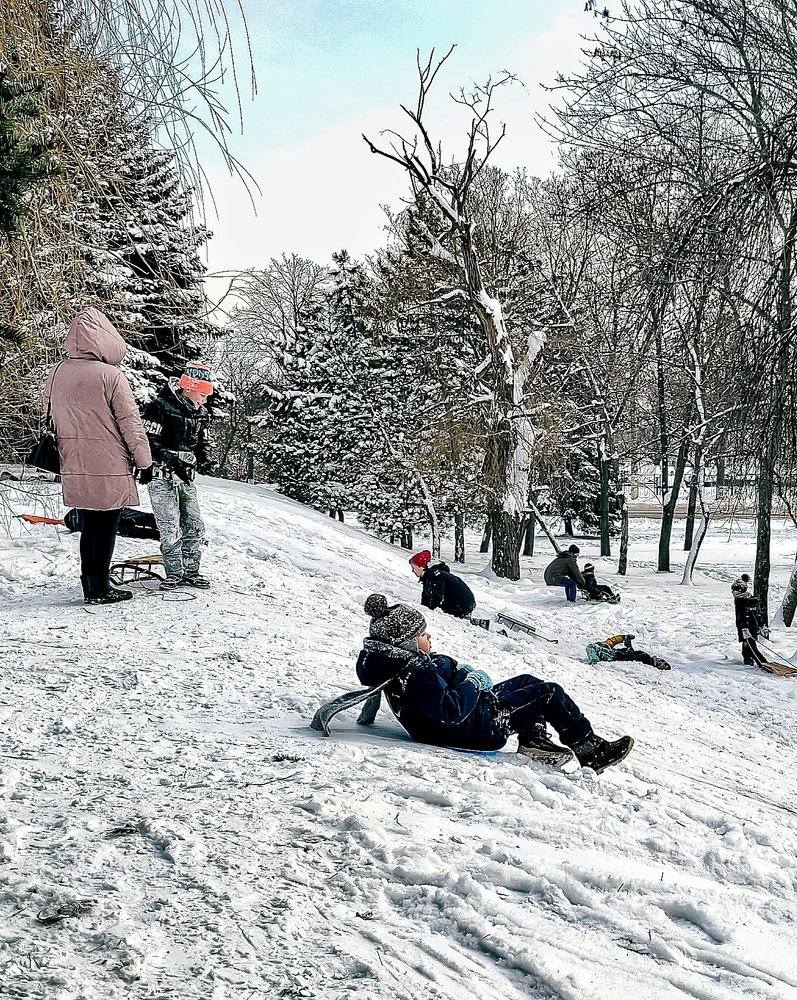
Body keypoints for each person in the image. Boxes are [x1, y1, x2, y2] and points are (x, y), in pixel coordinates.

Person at [355, 594, 634, 773]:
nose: (431, 638)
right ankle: (590, 750)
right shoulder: (415, 674)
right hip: (478, 728)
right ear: (409, 642)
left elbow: (420, 690)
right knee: (548, 693)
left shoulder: (395, 664)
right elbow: (450, 710)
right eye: (424, 635)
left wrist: (454, 670)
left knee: (527, 682)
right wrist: (473, 682)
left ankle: (534, 740)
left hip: (470, 718)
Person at [45, 308, 153, 605]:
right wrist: (144, 462)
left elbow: (50, 418)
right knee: (107, 525)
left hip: (73, 459)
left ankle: (90, 586)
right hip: (109, 461)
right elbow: (130, 423)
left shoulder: (55, 373)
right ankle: (101, 588)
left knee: (90, 525)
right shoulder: (111, 376)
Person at [141, 361, 215, 590]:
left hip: (186, 476)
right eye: (202, 394)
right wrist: (171, 459)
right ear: (189, 388)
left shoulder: (201, 413)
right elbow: (149, 440)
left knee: (193, 523)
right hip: (161, 473)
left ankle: (192, 570)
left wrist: (204, 458)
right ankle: (174, 571)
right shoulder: (159, 407)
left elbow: (201, 441)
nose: (204, 399)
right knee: (169, 523)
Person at [408, 550, 476, 618]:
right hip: (462, 603)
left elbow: (437, 598)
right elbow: (426, 597)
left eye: (413, 568)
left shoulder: (435, 576)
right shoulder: (428, 576)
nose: (412, 571)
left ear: (421, 567)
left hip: (462, 605)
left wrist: (429, 613)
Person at [731, 575, 768, 666]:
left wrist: (744, 628)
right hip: (751, 627)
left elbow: (743, 616)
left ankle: (763, 664)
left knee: (751, 648)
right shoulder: (750, 600)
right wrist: (761, 625)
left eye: (734, 590)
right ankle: (747, 660)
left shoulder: (742, 601)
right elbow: (758, 614)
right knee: (746, 647)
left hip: (747, 628)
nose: (732, 592)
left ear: (740, 591)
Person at [585, 634, 670, 671]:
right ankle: (595, 661)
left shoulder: (605, 647)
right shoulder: (606, 646)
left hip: (615, 656)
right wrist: (626, 640)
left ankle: (594, 662)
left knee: (591, 647)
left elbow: (612, 641)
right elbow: (612, 641)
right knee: (592, 647)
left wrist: (625, 638)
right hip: (617, 656)